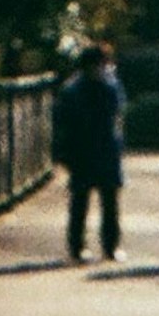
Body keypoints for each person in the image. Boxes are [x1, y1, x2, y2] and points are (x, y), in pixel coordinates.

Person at [56, 42, 127, 261]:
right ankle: (77, 246)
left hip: (106, 149)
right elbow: (63, 122)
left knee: (110, 202)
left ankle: (111, 246)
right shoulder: (73, 90)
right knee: (80, 202)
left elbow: (118, 114)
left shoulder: (111, 86)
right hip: (82, 149)